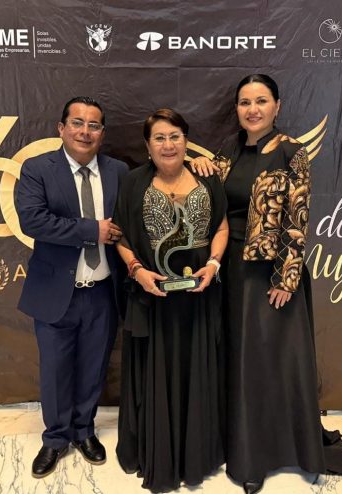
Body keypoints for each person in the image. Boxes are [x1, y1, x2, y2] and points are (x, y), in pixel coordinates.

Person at [191, 74, 342, 494]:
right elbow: (208, 202)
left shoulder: (291, 152)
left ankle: (262, 456)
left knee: (266, 365)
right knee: (236, 360)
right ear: (237, 109)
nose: (253, 109)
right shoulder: (227, 152)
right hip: (229, 270)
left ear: (277, 106)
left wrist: (287, 276)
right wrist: (201, 169)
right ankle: (237, 446)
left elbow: (299, 217)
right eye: (245, 102)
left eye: (261, 101)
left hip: (270, 273)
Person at [114, 108, 229, 492]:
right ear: (148, 146)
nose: (168, 145)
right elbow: (121, 236)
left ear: (186, 141)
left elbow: (222, 226)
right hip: (153, 299)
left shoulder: (208, 178)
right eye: (159, 138)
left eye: (175, 136)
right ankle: (159, 452)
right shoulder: (133, 183)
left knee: (197, 370)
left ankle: (197, 453)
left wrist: (213, 264)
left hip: (199, 297)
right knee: (157, 374)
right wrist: (137, 271)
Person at [16, 96, 129, 478]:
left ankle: (84, 431)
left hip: (102, 291)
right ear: (61, 128)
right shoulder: (37, 169)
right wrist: (91, 230)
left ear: (102, 133)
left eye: (93, 125)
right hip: (55, 292)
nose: (85, 131)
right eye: (77, 123)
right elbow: (33, 221)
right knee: (55, 370)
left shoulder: (118, 171)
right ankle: (55, 438)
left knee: (93, 368)